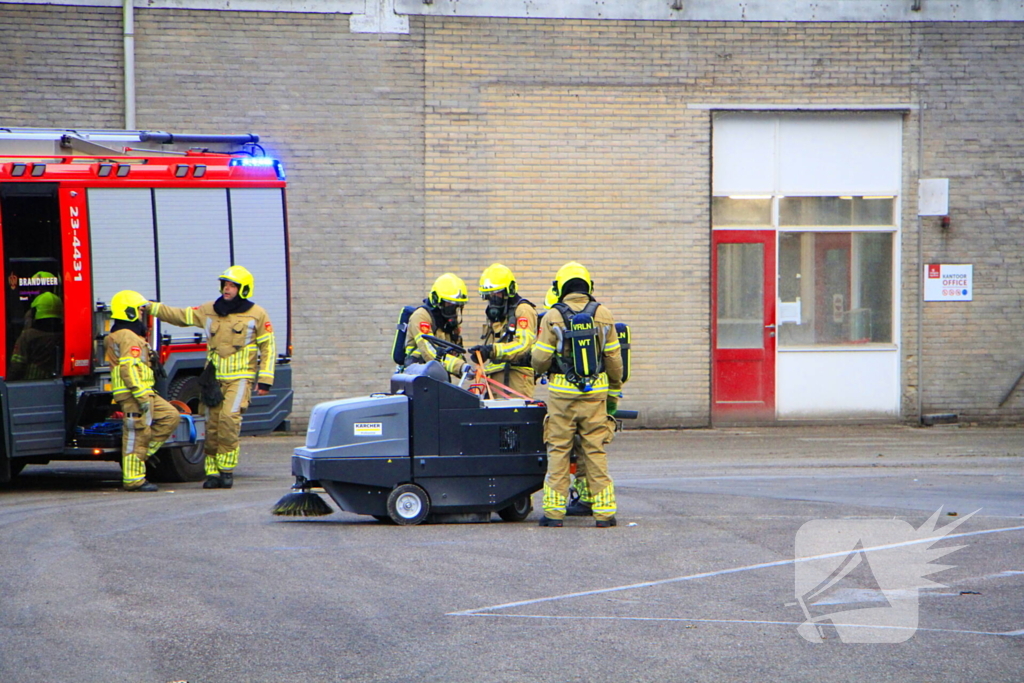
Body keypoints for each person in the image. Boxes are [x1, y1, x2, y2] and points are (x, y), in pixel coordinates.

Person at [148, 266, 275, 489]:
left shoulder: (257, 314)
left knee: (228, 419)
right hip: (213, 380)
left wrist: (265, 379)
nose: (227, 289)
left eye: (232, 285)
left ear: (243, 289)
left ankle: (226, 470)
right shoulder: (209, 310)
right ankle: (213, 473)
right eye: (225, 284)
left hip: (240, 378)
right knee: (211, 424)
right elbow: (180, 316)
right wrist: (150, 308)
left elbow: (269, 347)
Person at [531, 262, 623, 527]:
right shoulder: (604, 314)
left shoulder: (552, 316)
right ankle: (604, 513)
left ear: (561, 287)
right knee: (595, 449)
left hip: (562, 395)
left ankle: (554, 513)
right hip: (595, 394)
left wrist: (545, 367)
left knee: (559, 449)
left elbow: (539, 359)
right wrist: (614, 391)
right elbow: (614, 360)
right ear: (588, 286)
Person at [104, 290, 180, 492]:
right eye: (138, 310)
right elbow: (128, 368)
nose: (141, 314)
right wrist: (140, 395)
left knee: (170, 416)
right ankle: (134, 479)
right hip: (134, 394)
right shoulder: (128, 337)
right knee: (137, 433)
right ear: (129, 312)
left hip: (144, 392)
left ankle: (140, 458)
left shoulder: (123, 334)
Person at [468, 264, 538, 398]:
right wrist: (482, 354)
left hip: (516, 381)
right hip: (495, 382)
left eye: (497, 293)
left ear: (509, 290)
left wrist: (491, 351)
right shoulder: (498, 316)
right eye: (489, 295)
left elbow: (523, 345)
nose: (493, 298)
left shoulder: (523, 310)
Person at [403, 273, 471, 378]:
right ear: (437, 300)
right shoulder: (421, 316)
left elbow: (454, 354)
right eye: (449, 304)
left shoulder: (446, 323)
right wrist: (460, 366)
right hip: (417, 376)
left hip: (439, 378)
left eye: (456, 306)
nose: (453, 309)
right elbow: (429, 352)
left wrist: (466, 369)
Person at [8, 291, 62, 380]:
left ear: (35, 312)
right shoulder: (63, 336)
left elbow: (16, 367)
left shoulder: (27, 336)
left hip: (29, 385)